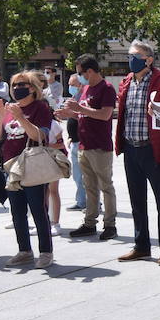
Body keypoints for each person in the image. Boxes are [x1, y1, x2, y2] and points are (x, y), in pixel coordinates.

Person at [115, 41, 160, 264]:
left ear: (149, 59)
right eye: (130, 56)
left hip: (154, 150)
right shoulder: (126, 83)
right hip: (131, 148)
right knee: (136, 200)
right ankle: (141, 245)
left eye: (136, 56)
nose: (131, 59)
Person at [0, 71, 55, 269]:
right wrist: (1, 117)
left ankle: (46, 251)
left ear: (32, 88)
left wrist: (21, 118)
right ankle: (24, 250)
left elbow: (40, 136)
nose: (17, 89)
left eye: (22, 85)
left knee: (38, 209)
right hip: (12, 166)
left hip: (32, 165)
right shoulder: (11, 108)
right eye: (14, 85)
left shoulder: (41, 108)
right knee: (17, 211)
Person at [61, 55, 119, 240]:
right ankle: (89, 223)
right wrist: (69, 114)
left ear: (90, 71)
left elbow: (105, 115)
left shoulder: (107, 88)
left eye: (80, 73)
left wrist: (79, 109)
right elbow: (85, 115)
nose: (79, 77)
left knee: (106, 186)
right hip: (84, 145)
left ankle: (110, 225)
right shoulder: (86, 88)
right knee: (90, 187)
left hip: (100, 147)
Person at [63, 73, 86, 213]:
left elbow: (84, 118)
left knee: (86, 176)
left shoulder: (82, 100)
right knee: (77, 175)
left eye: (73, 84)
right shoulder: (73, 98)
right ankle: (81, 201)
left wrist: (70, 114)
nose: (70, 87)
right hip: (75, 141)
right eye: (69, 84)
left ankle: (91, 202)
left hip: (83, 142)